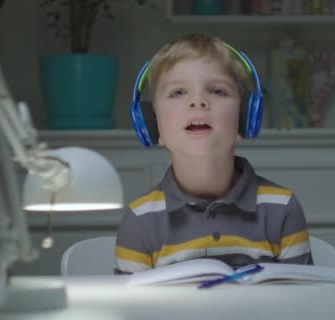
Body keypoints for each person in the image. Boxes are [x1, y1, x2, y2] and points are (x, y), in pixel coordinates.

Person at [115, 33, 312, 274]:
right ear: (152, 125)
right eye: (178, 92)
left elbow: (302, 305)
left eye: (218, 91)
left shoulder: (282, 208)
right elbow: (132, 311)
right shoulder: (140, 220)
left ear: (244, 118)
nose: (198, 101)